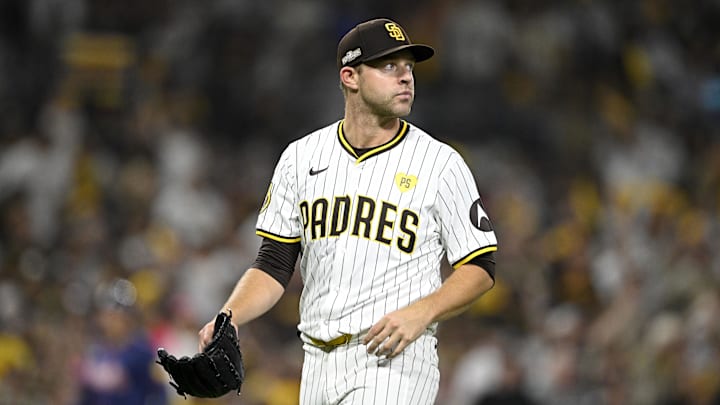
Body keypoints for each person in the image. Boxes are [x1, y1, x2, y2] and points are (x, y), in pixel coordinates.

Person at [198, 17, 498, 404]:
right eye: (389, 66)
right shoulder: (301, 158)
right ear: (350, 76)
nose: (406, 77)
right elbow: (274, 262)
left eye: (409, 67)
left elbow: (480, 266)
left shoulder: (440, 163)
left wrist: (422, 312)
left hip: (395, 360)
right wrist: (229, 316)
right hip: (316, 363)